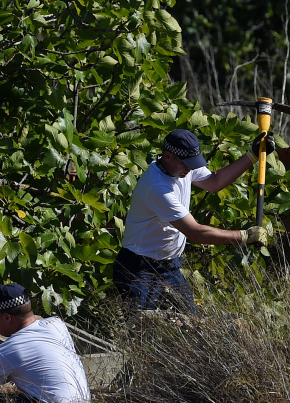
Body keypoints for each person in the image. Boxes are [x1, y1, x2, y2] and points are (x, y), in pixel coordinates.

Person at [113, 128, 273, 312]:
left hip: (169, 267)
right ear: (167, 156)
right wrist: (245, 236)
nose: (190, 168)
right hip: (138, 268)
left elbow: (214, 182)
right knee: (141, 330)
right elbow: (195, 232)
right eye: (186, 164)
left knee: (190, 326)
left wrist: (252, 156)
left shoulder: (182, 168)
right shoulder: (158, 187)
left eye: (192, 164)